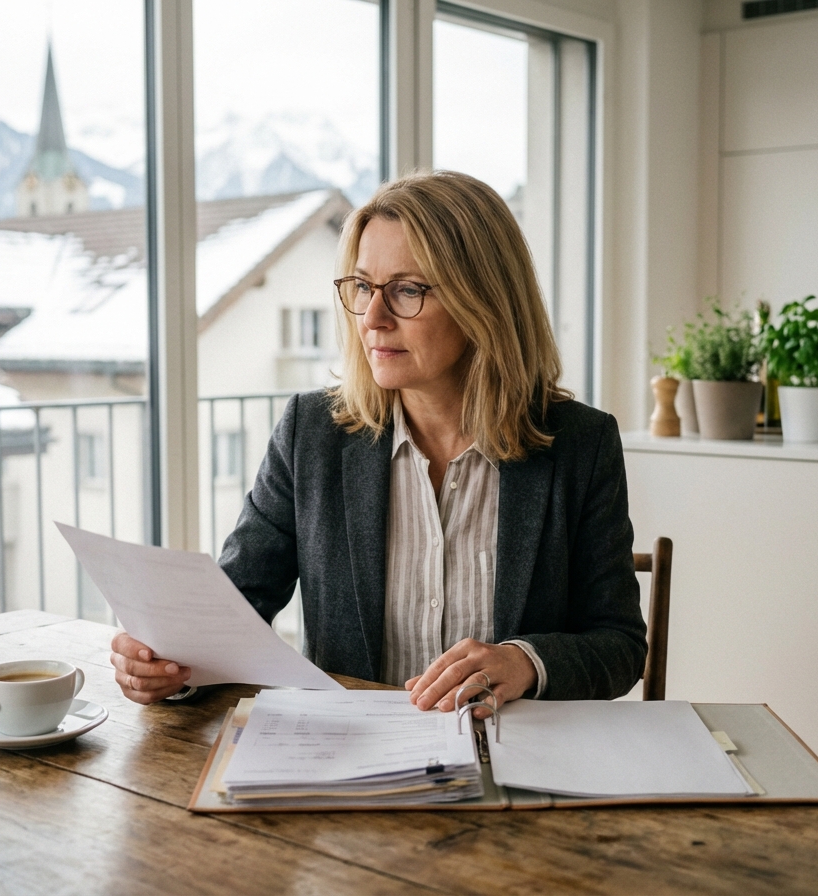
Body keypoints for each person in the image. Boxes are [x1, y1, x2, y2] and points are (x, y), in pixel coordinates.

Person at [111, 170, 647, 716]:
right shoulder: (310, 435)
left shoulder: (581, 445)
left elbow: (619, 645)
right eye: (363, 287)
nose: (373, 318)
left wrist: (524, 661)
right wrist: (166, 667)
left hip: (509, 758)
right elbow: (234, 610)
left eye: (408, 290)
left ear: (484, 300)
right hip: (351, 762)